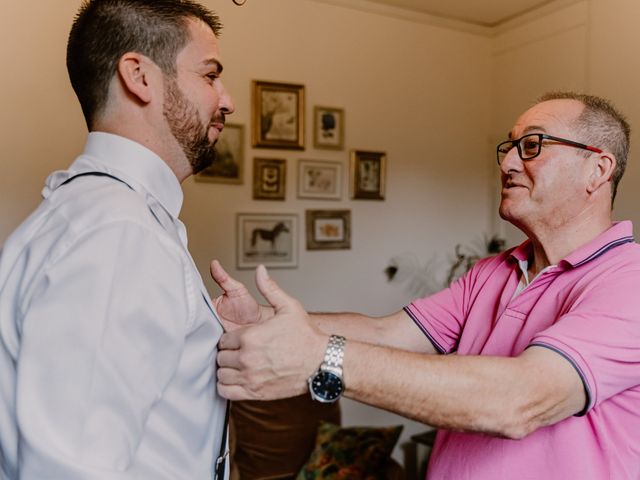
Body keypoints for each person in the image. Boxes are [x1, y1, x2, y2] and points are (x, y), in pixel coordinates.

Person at [212, 92, 640, 479]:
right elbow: (387, 334)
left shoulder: (628, 281)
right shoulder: (494, 271)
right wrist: (263, 320)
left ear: (597, 169)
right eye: (508, 147)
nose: (507, 163)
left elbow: (518, 400)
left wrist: (319, 358)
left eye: (532, 145)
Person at [0, 1, 234, 479]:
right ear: (139, 76)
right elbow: (68, 469)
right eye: (210, 76)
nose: (226, 99)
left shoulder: (101, 216)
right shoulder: (119, 233)